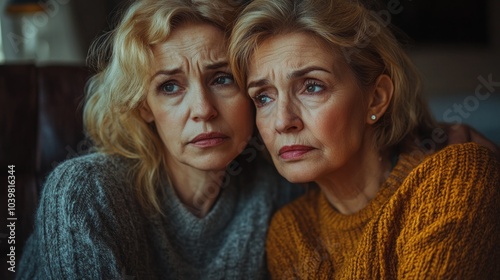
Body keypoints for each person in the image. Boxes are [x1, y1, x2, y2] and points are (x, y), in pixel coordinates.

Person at [17, 0, 302, 279]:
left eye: (222, 79)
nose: (203, 110)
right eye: (170, 86)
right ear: (144, 106)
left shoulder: (281, 189)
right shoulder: (84, 192)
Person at [229, 0, 500, 278]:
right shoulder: (292, 230)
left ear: (376, 98)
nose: (282, 121)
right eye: (263, 98)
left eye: (312, 87)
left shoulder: (456, 177)